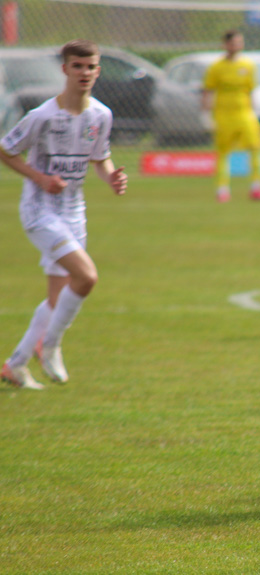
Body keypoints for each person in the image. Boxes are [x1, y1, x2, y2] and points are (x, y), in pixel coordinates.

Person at [0, 39, 128, 390]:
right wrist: (39, 177)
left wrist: (112, 177)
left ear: (98, 70)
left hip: (74, 211)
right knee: (86, 278)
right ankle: (50, 346)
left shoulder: (100, 115)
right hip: (39, 211)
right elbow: (6, 150)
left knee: (58, 298)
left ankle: (15, 365)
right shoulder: (42, 116)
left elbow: (100, 160)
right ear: (65, 70)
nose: (85, 73)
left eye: (91, 67)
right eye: (78, 66)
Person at [202, 30, 260, 203]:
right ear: (225, 45)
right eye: (233, 43)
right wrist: (205, 115)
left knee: (255, 148)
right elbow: (207, 91)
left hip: (245, 114)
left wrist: (255, 111)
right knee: (223, 152)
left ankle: (256, 188)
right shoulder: (216, 67)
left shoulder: (248, 65)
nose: (237, 46)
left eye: (240, 42)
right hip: (223, 115)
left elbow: (251, 90)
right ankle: (222, 190)